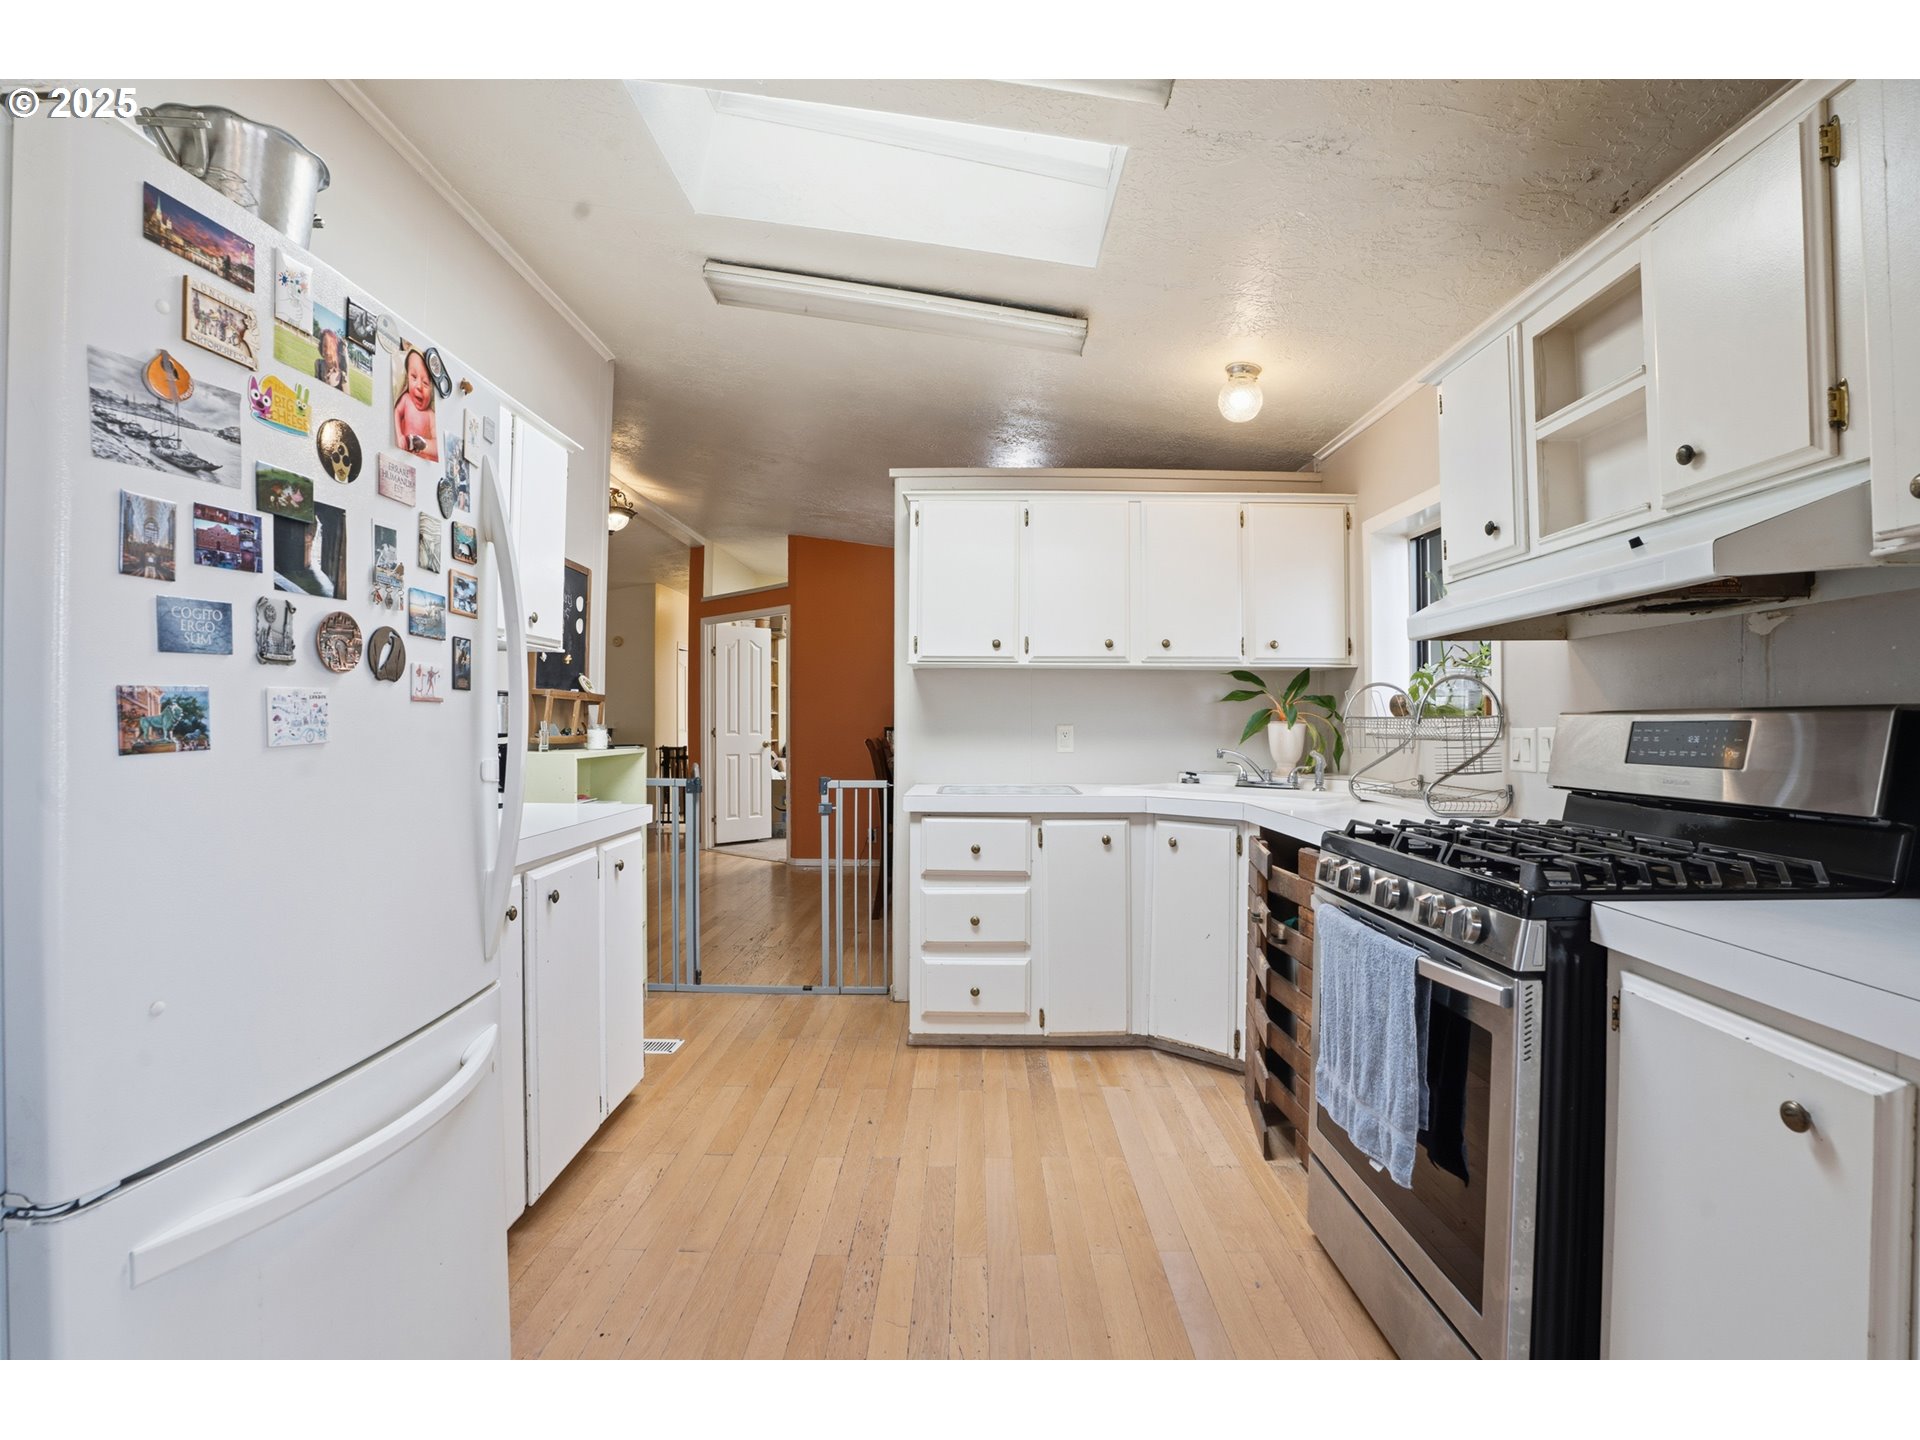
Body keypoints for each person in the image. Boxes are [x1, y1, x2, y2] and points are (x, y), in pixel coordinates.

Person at [393, 347, 438, 459]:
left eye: (425, 383)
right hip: (399, 455)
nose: (419, 386)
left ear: (433, 390)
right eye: (413, 377)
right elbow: (396, 412)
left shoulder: (431, 415)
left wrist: (421, 444)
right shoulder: (406, 399)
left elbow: (437, 447)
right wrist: (399, 436)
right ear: (407, 378)